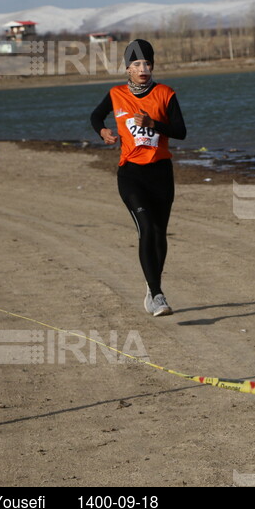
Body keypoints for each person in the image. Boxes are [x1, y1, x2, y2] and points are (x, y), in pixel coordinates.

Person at [90, 39, 187, 316]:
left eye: (147, 63)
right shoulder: (116, 93)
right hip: (131, 173)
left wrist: (153, 124)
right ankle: (157, 294)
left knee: (159, 233)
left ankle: (151, 286)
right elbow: (96, 116)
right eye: (136, 64)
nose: (143, 68)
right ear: (128, 69)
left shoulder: (166, 93)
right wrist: (103, 132)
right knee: (146, 227)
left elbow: (181, 131)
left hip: (161, 173)